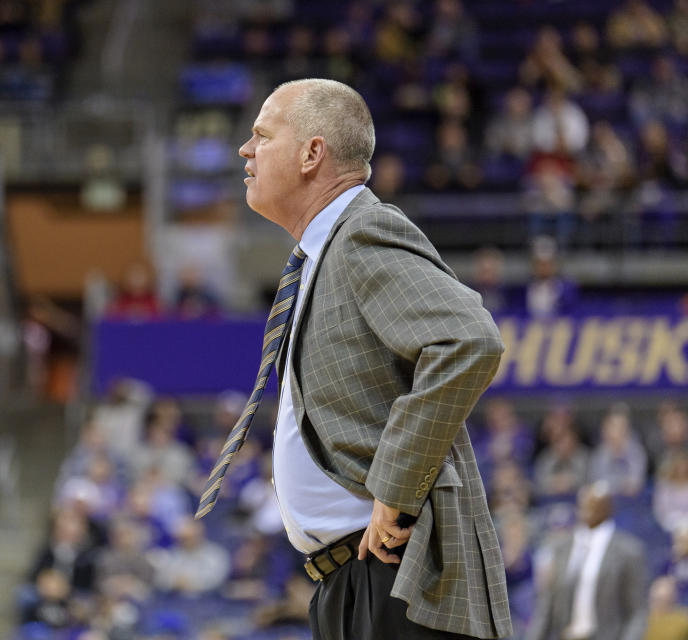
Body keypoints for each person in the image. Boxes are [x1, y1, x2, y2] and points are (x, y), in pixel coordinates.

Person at [196, 79, 510, 640]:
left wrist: (395, 485)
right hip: (346, 581)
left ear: (312, 153)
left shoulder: (363, 229)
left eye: (261, 136)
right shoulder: (321, 253)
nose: (244, 150)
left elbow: (468, 340)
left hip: (397, 578)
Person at [526, 483, 647, 640]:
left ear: (608, 508)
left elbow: (637, 611)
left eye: (595, 504)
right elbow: (547, 605)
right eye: (584, 503)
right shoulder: (561, 548)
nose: (588, 508)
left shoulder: (629, 551)